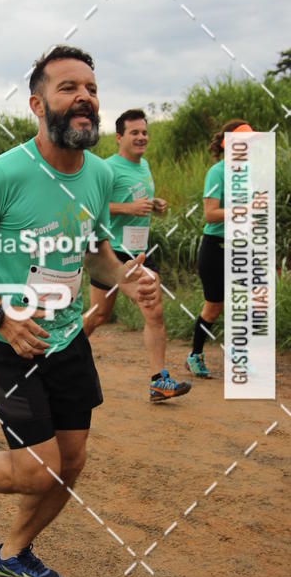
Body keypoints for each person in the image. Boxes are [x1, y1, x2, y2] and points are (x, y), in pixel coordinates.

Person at [0, 45, 157, 577]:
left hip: (65, 336)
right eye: (68, 88)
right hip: (9, 340)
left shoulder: (101, 175)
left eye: (92, 89)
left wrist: (127, 277)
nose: (85, 97)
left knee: (72, 460)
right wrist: (2, 315)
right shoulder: (4, 174)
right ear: (38, 104)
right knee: (40, 468)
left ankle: (13, 552)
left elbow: (94, 250)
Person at [83, 110, 191, 402]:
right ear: (120, 138)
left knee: (100, 315)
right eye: (135, 132)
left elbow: (136, 200)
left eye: (144, 132)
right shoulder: (106, 169)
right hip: (110, 251)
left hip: (139, 251)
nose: (142, 137)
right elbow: (92, 208)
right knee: (116, 312)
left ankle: (158, 381)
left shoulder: (144, 167)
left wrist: (154, 205)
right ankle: (55, 361)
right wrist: (127, 208)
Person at [186, 120, 253, 377]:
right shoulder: (217, 172)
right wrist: (244, 210)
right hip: (216, 247)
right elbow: (210, 214)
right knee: (213, 307)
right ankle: (196, 355)